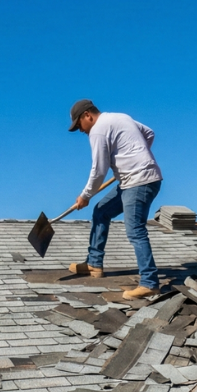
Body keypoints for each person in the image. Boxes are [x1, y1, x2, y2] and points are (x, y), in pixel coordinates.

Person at [67, 99, 164, 301]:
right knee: (101, 211)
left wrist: (85, 195)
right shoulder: (120, 117)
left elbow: (99, 169)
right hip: (135, 180)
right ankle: (94, 264)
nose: (80, 130)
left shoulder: (98, 131)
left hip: (139, 182)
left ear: (87, 115)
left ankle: (149, 283)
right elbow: (149, 133)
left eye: (79, 125)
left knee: (135, 230)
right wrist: (135, 154)